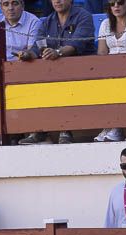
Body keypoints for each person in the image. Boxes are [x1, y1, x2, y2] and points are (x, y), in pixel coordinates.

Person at [19, 0, 95, 145]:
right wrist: (28, 54)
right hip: (54, 73)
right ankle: (39, 130)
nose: (58, 1)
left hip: (82, 70)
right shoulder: (47, 21)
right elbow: (37, 48)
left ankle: (65, 129)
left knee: (59, 82)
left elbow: (76, 44)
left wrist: (57, 52)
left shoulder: (84, 16)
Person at [94, 0, 126, 143]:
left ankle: (117, 127)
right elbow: (101, 52)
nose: (116, 6)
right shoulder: (105, 24)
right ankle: (109, 126)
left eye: (120, 2)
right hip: (110, 67)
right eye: (112, 3)